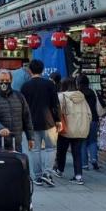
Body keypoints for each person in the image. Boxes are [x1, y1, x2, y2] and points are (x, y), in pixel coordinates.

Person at [20, 59, 62, 187]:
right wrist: (58, 119)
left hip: (31, 123)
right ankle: (47, 173)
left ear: (29, 70)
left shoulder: (25, 86)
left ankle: (38, 177)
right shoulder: (49, 85)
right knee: (51, 148)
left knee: (35, 150)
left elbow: (23, 107)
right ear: (43, 70)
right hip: (49, 122)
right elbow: (55, 104)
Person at [0, 70, 34, 154]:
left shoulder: (19, 96)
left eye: (7, 81)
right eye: (2, 81)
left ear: (11, 81)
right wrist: (0, 128)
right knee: (0, 166)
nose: (4, 83)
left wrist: (30, 137)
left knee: (16, 165)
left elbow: (27, 117)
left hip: (16, 141)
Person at [52, 78, 91, 185]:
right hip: (80, 129)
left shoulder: (62, 96)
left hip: (66, 129)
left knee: (61, 150)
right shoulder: (82, 97)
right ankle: (78, 176)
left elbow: (56, 111)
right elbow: (89, 114)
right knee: (77, 153)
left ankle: (59, 170)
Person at [77, 74, 105, 170]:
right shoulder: (94, 92)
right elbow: (103, 103)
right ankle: (94, 160)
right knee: (93, 141)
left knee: (83, 142)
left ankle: (84, 164)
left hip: (82, 120)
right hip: (93, 119)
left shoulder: (78, 94)